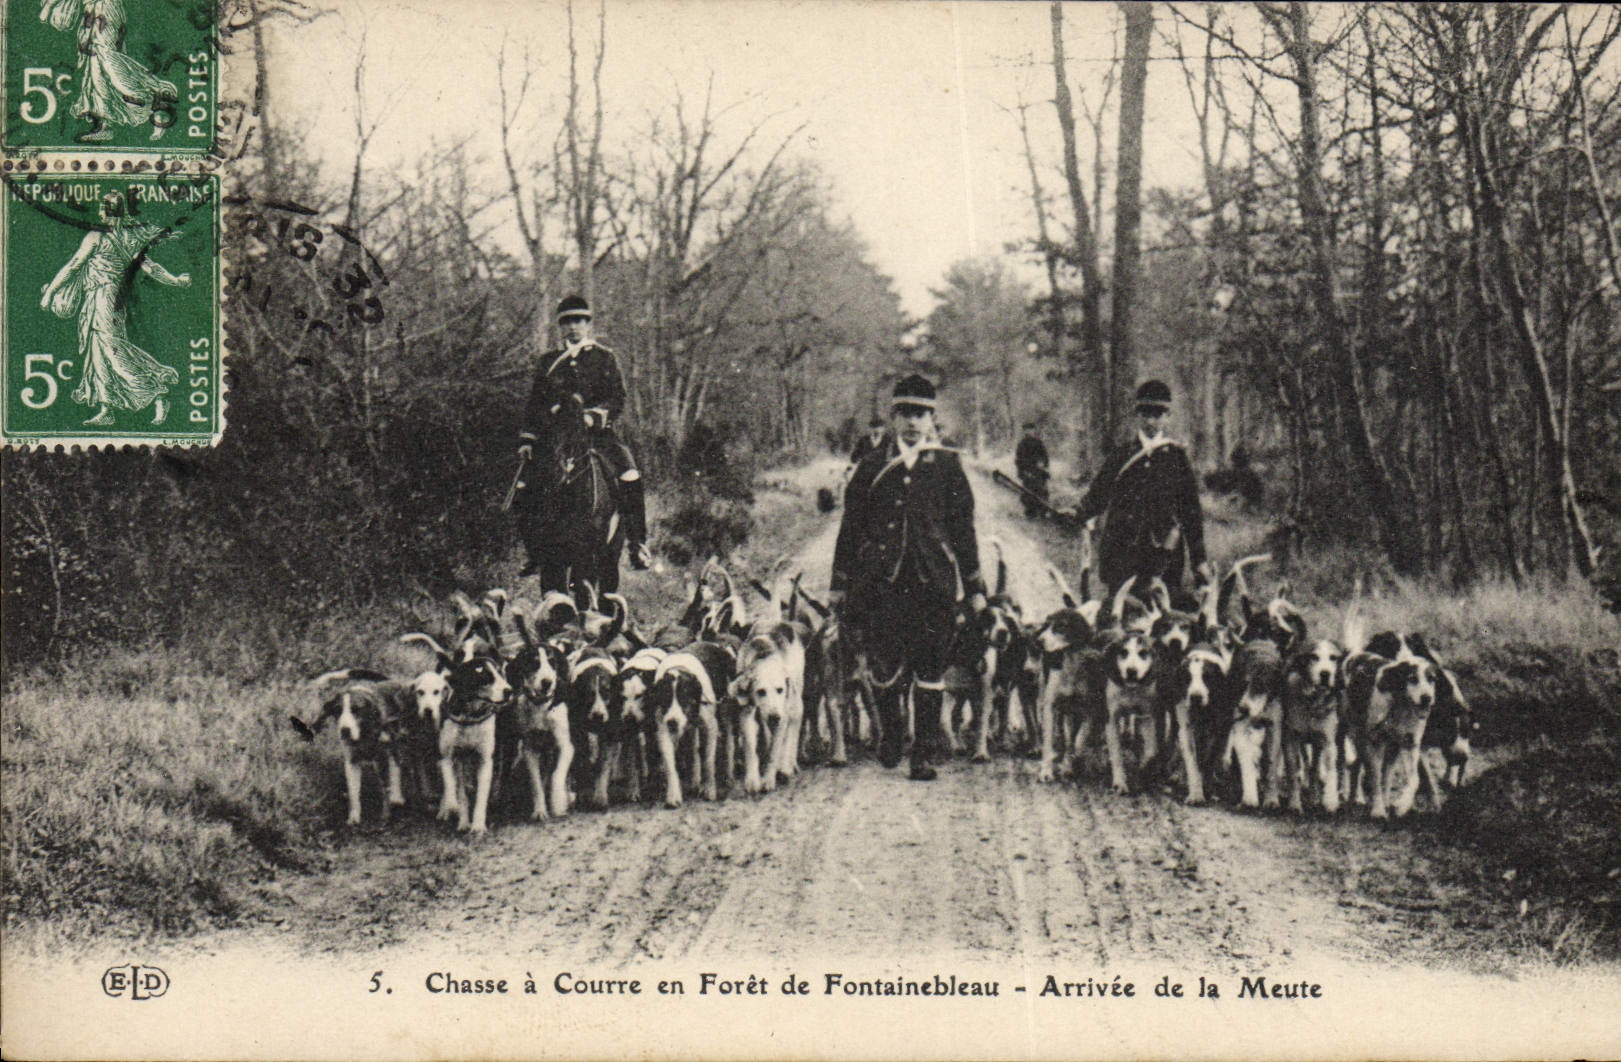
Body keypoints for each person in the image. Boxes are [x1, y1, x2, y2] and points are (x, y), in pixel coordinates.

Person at [830, 374, 987, 781]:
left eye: (920, 414)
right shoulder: (871, 466)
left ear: (932, 418)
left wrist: (974, 588)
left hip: (932, 583)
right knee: (883, 666)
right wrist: (840, 582)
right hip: (881, 585)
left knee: (930, 667)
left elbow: (964, 531)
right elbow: (851, 529)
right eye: (905, 413)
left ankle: (924, 753)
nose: (913, 422)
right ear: (893, 416)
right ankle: (893, 730)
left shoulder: (948, 467)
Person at [516, 295, 651, 575]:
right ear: (560, 327)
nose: (573, 327)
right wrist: (529, 438)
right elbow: (535, 403)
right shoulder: (549, 362)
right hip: (557, 438)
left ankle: (638, 544)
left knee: (629, 474)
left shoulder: (604, 357)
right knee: (523, 484)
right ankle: (535, 551)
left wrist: (596, 416)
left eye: (578, 321)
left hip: (597, 435)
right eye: (566, 322)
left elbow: (617, 397)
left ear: (588, 324)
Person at [39, 191, 189, 426]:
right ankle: (106, 408)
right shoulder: (129, 238)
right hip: (100, 298)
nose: (99, 213)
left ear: (112, 213)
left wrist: (49, 293)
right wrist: (176, 280)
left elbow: (74, 266)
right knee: (98, 351)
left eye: (103, 209)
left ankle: (157, 391)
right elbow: (152, 268)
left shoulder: (96, 237)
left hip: (106, 297)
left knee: (111, 349)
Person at [1075, 379, 1210, 599]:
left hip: (1164, 557)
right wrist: (1079, 512)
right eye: (1145, 414)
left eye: (1157, 415)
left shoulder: (1177, 458)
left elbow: (1191, 512)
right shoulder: (1122, 455)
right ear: (1137, 416)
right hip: (1122, 555)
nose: (1151, 421)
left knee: (1160, 620)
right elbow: (1098, 493)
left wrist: (1199, 560)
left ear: (1167, 417)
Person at [40, 0, 178, 143]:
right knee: (95, 68)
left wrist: (50, 6)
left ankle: (157, 106)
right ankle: (105, 125)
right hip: (93, 10)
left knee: (109, 63)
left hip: (105, 9)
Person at [1014, 420, 1051, 518]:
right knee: (1028, 493)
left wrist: (1043, 464)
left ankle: (1043, 512)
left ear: (1034, 431)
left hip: (1039, 472)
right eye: (1026, 430)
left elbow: (1045, 457)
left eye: (1030, 430)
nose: (1028, 432)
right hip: (1028, 472)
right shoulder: (1021, 444)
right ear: (1024, 432)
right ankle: (1030, 512)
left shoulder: (1039, 443)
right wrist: (1023, 471)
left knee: (1042, 492)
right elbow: (1019, 460)